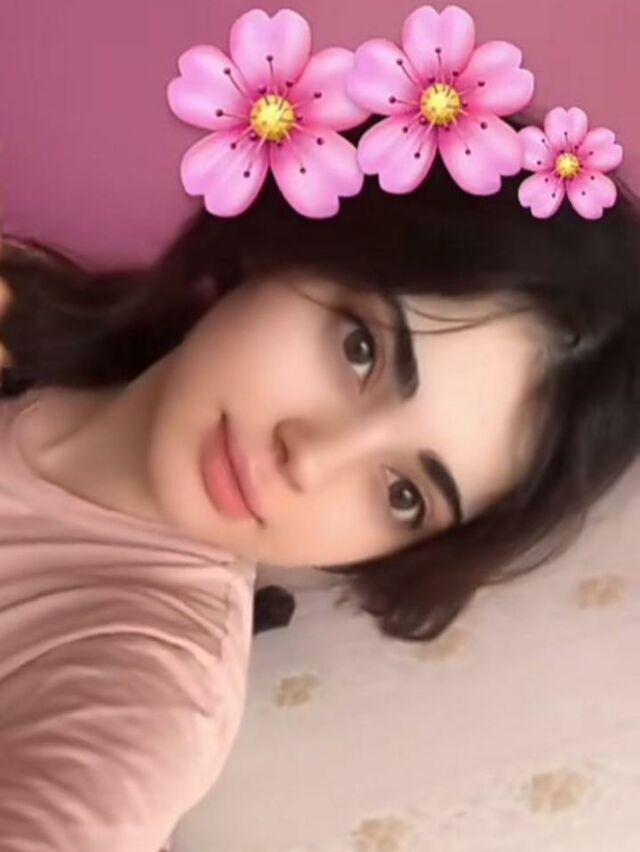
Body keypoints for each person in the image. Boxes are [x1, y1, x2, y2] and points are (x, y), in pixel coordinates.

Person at [1, 5, 639, 847]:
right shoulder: (27, 300)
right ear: (290, 244)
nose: (311, 459)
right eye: (360, 348)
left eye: (405, 494)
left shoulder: (148, 686)